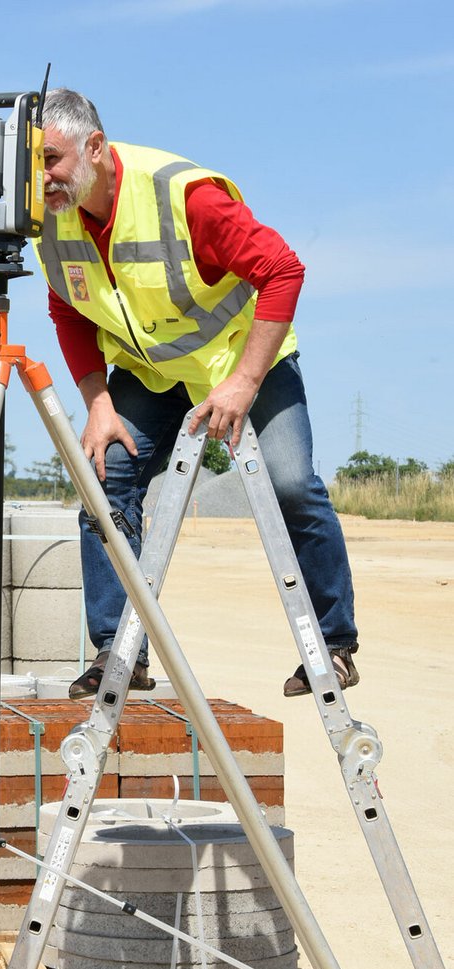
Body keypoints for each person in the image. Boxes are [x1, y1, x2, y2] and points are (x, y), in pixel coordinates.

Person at [32, 88, 358, 700]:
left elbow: (283, 270)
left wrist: (245, 380)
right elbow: (67, 309)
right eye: (32, 162)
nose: (40, 177)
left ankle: (334, 645)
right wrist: (99, 402)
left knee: (292, 486)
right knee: (105, 478)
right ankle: (118, 651)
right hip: (154, 373)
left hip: (241, 360)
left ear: (95, 148)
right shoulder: (49, 220)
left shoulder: (182, 197)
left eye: (50, 159)